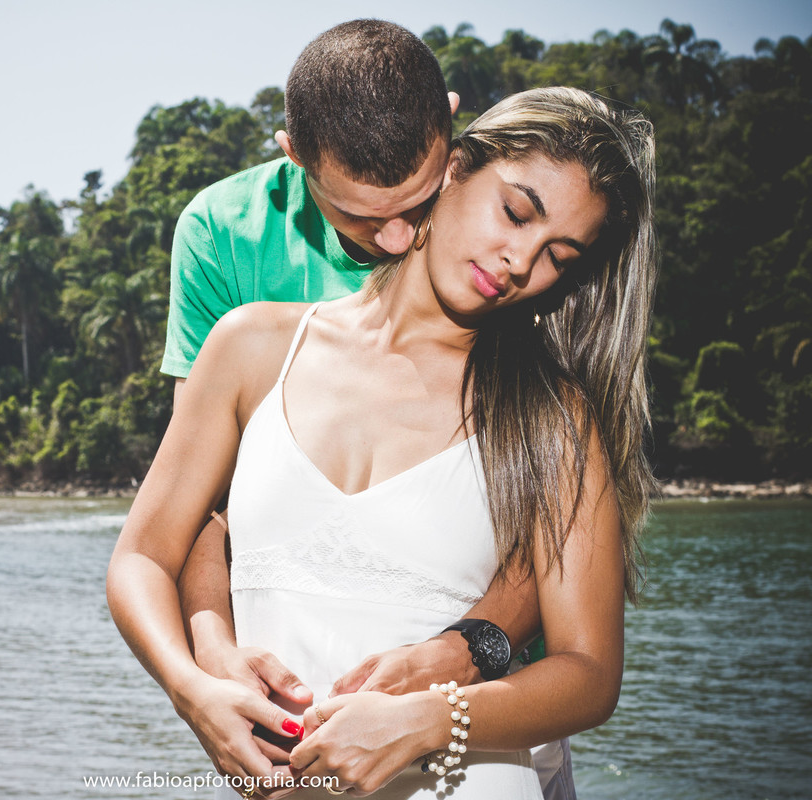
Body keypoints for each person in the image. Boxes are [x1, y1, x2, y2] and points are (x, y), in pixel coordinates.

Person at [108, 85, 656, 799]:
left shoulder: (550, 417)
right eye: (516, 212)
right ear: (454, 169)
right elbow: (145, 556)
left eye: (558, 254)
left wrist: (430, 720)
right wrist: (193, 688)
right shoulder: (252, 348)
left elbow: (589, 674)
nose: (521, 259)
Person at [162, 20, 571, 797]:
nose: (393, 238)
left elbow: (543, 499)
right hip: (294, 716)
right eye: (355, 215)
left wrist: (465, 649)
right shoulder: (221, 234)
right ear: (294, 154)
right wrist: (210, 655)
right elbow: (199, 505)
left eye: (417, 204)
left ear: (450, 130)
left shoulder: (509, 225)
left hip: (489, 703)